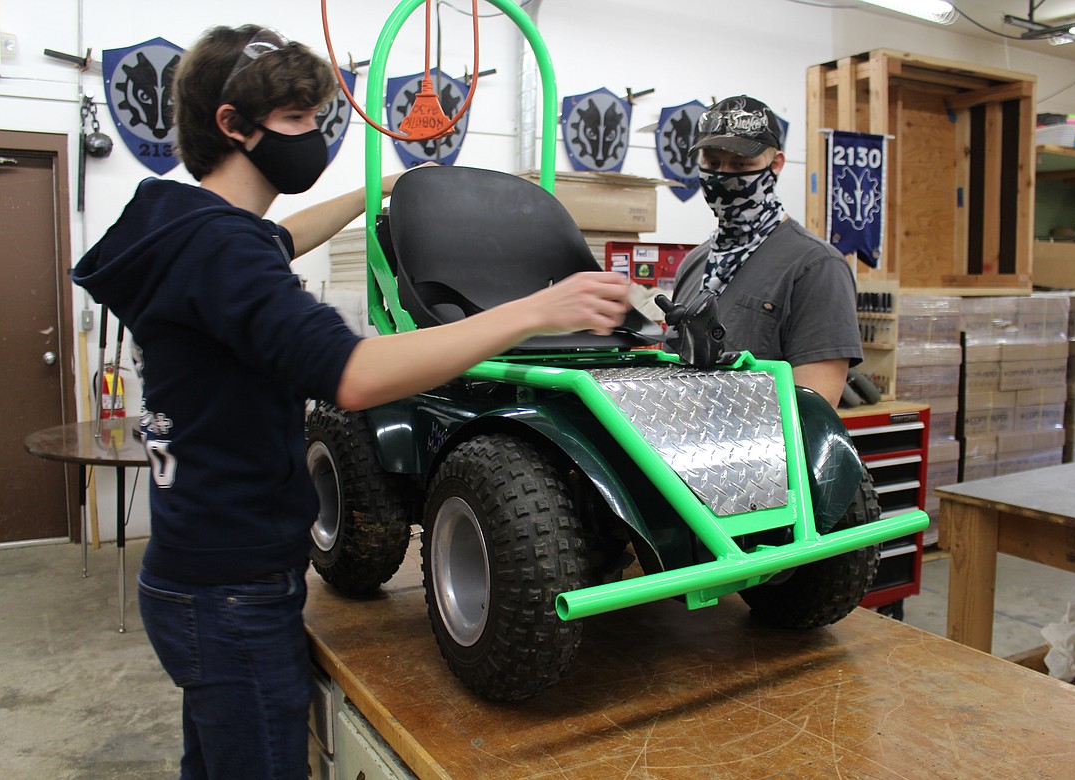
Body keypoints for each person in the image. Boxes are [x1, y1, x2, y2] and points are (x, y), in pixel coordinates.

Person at [72, 24, 630, 780]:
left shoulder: (182, 226)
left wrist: (382, 187)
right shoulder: (223, 251)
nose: (318, 135)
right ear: (233, 125)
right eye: (298, 120)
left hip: (196, 572)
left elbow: (274, 238)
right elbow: (356, 374)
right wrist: (536, 308)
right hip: (233, 592)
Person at [671, 95, 862, 407]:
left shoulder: (817, 267)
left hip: (761, 453)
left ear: (776, 165)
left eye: (741, 164)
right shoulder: (695, 263)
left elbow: (813, 411)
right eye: (711, 163)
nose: (723, 177)